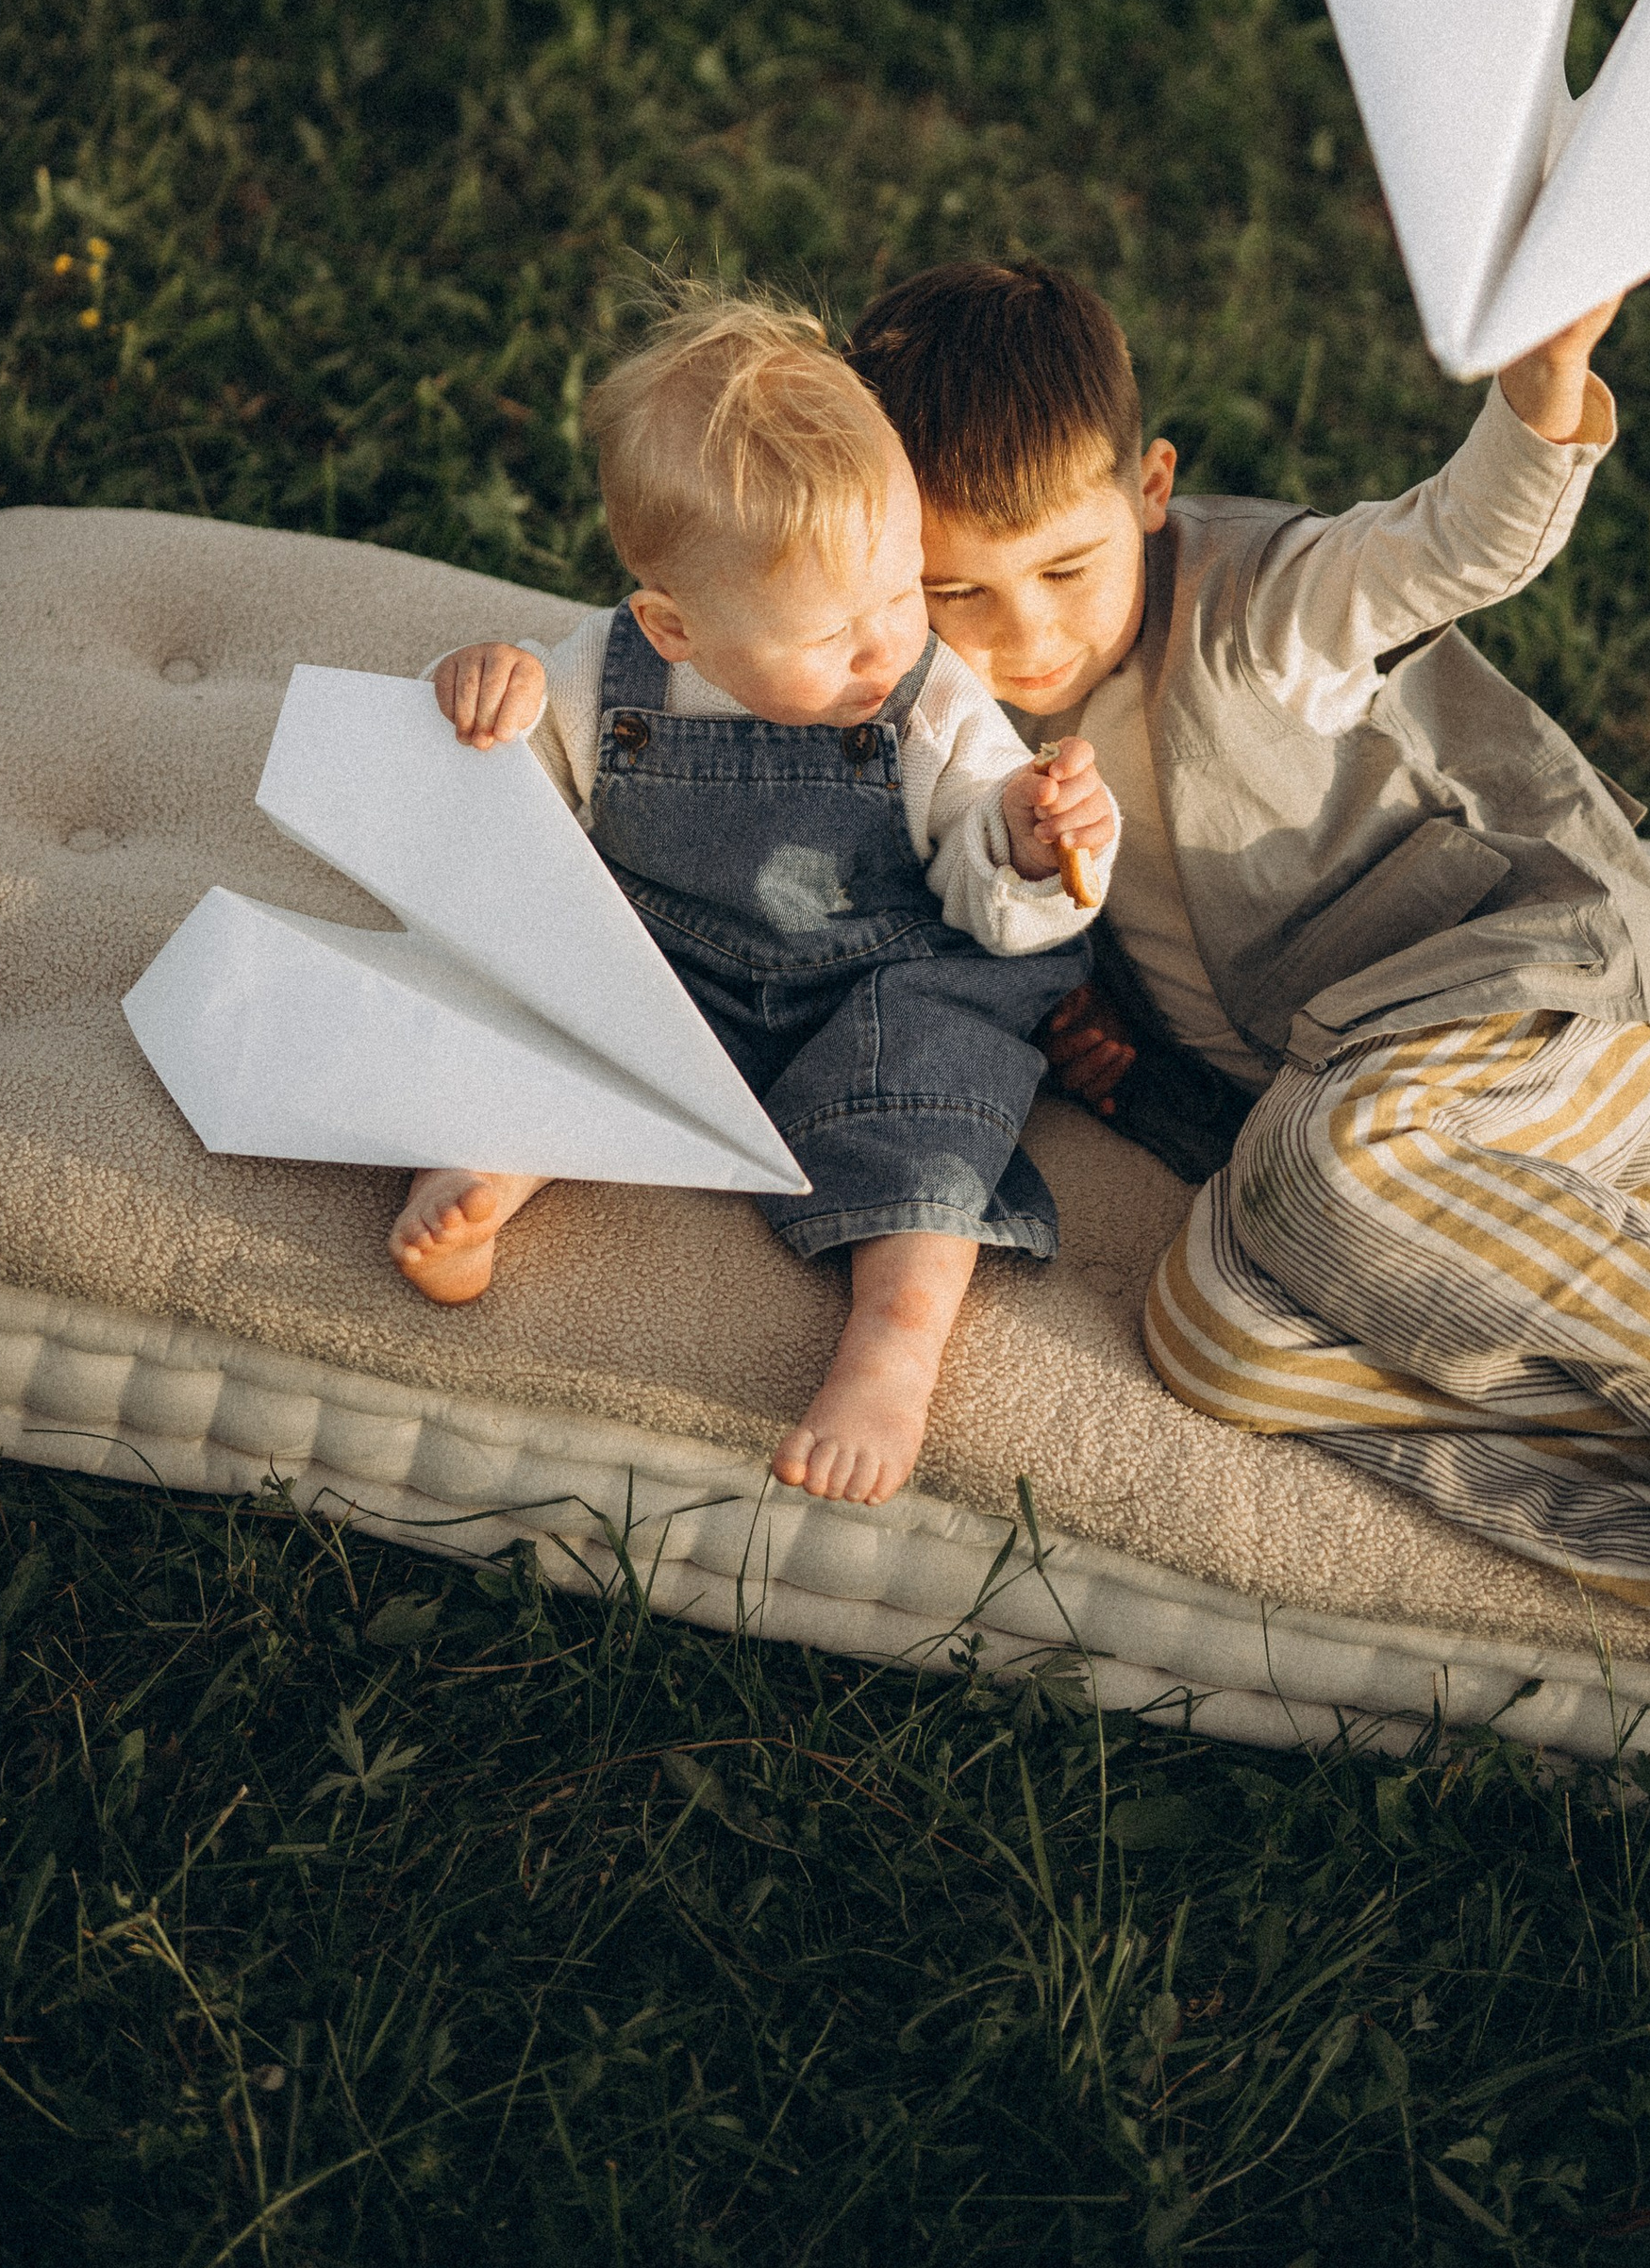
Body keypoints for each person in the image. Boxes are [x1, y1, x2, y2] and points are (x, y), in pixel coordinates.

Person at [846, 262, 1650, 1715]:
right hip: (1379, 1154)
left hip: (1555, 1010)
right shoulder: (935, 717)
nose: (1022, 636)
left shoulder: (1263, 611)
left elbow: (1449, 544)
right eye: (955, 592)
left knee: (1333, 1167)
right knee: (1212, 1332)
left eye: (1065, 571)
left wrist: (1537, 406)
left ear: (1151, 489)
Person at [395, 288, 1116, 1509]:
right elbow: (499, 818)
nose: (886, 648)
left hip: (886, 973)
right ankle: (492, 1170)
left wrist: (1032, 842)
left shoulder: (927, 698)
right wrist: (480, 691)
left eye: (902, 592)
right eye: (834, 631)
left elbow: (986, 877)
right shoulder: (605, 674)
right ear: (674, 627)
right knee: (570, 987)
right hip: (682, 963)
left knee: (941, 1088)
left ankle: (894, 1340)